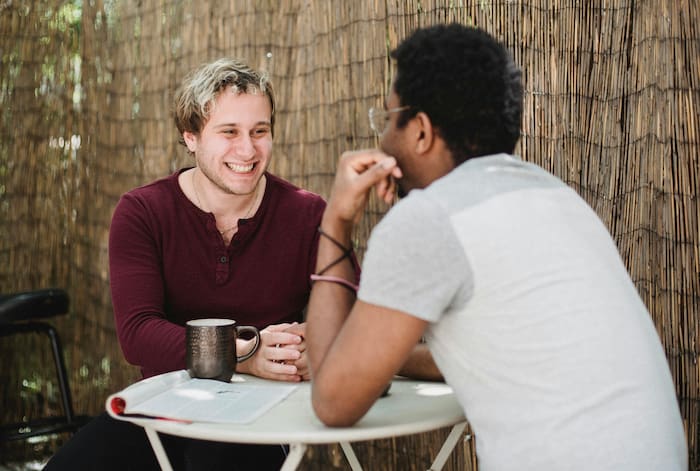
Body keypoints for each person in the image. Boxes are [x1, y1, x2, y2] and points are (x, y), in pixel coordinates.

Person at [305, 23, 687, 471]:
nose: (383, 138)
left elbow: (333, 403)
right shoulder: (553, 196)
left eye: (388, 119)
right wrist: (383, 355)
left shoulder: (431, 217)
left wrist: (337, 219)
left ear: (422, 131)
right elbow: (507, 354)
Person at [45, 58, 325, 470]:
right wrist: (244, 352)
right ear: (190, 136)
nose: (247, 149)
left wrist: (310, 343)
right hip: (167, 400)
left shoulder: (307, 213)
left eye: (259, 132)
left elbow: (347, 318)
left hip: (266, 411)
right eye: (229, 132)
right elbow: (138, 333)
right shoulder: (143, 211)